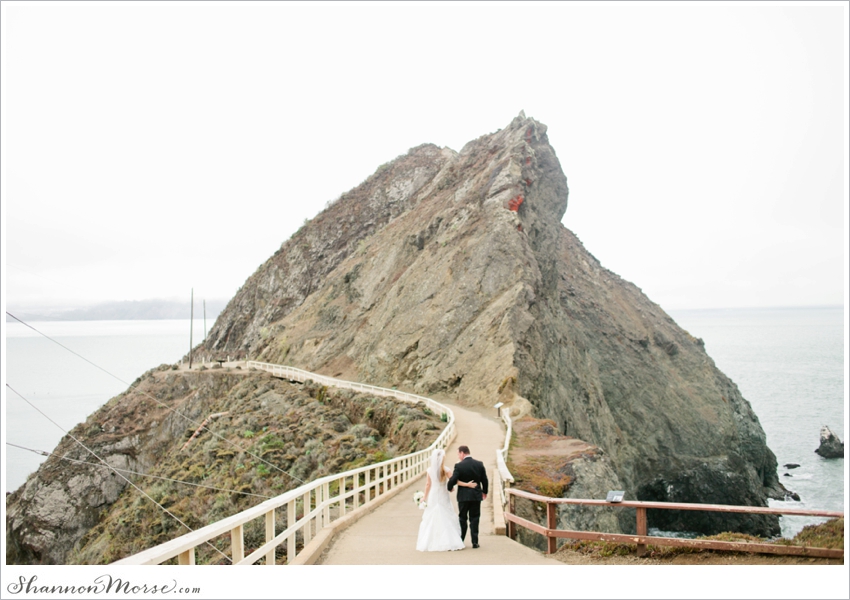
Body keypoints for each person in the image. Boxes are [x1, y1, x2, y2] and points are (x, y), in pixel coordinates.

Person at [415, 448, 470, 552]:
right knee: (445, 515)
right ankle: (449, 541)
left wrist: (424, 497)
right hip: (443, 494)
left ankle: (431, 541)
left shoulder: (430, 470)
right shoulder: (446, 470)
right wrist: (466, 484)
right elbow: (455, 481)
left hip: (433, 495)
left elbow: (428, 485)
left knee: (431, 516)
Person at [447, 445, 488, 548]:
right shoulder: (479, 464)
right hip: (475, 495)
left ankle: (461, 540)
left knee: (462, 518)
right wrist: (484, 491)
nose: (458, 456)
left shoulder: (459, 466)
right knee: (475, 518)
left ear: (462, 453)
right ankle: (475, 542)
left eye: (458, 454)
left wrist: (449, 487)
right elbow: (484, 480)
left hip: (463, 497)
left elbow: (453, 479)